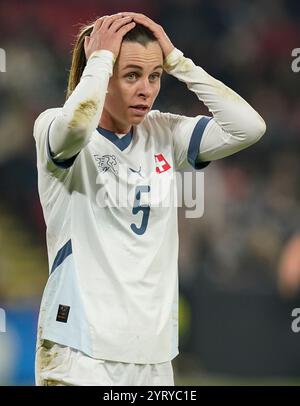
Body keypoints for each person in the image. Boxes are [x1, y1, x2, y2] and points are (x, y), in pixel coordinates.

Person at [33, 12, 266, 386]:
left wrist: (179, 61)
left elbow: (249, 127)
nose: (146, 88)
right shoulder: (55, 128)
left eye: (154, 76)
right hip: (81, 352)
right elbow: (76, 125)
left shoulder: (164, 133)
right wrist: (100, 60)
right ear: (101, 75)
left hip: (153, 355)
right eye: (130, 76)